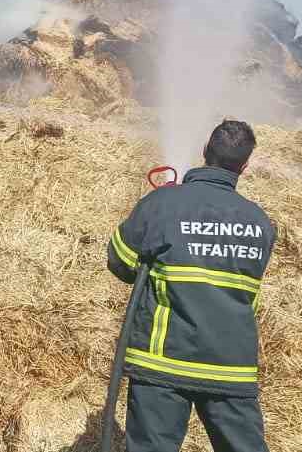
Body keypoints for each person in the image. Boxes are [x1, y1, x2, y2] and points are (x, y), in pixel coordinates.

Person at [106, 119, 276, 452]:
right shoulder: (260, 223)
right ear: (244, 166)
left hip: (163, 363)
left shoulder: (163, 205)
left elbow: (120, 260)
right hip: (231, 367)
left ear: (204, 152)